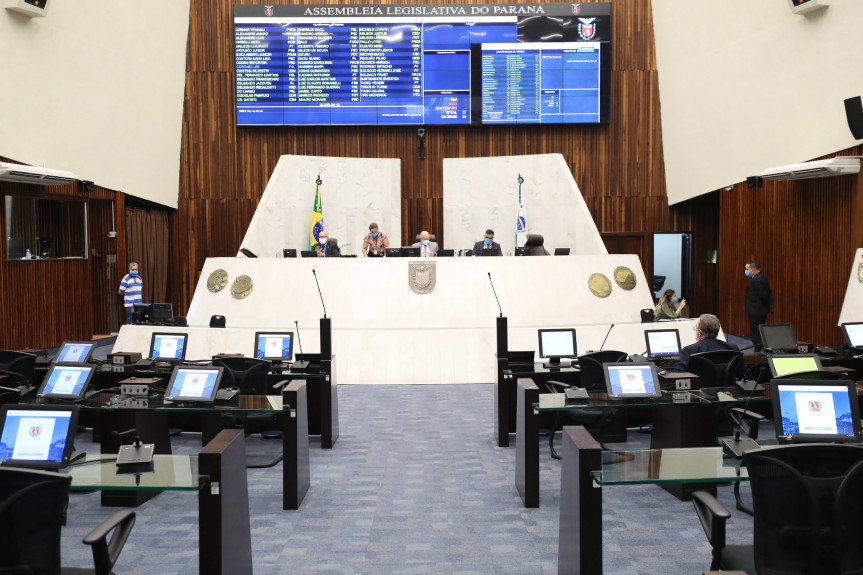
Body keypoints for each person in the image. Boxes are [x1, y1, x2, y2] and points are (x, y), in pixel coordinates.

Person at [672, 313, 740, 373]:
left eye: (696, 329)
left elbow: (678, 375)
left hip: (698, 384)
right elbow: (743, 375)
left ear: (700, 333)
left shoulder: (689, 350)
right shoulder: (733, 348)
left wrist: (665, 372)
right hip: (727, 384)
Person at [744, 260, 773, 350]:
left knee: (756, 334)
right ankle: (759, 349)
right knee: (758, 333)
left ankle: (758, 351)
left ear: (753, 269)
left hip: (757, 312)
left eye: (747, 269)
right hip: (758, 311)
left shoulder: (757, 280)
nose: (746, 271)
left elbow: (763, 295)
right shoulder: (761, 277)